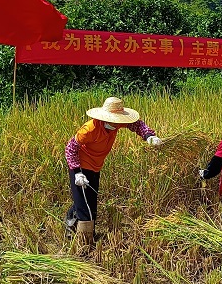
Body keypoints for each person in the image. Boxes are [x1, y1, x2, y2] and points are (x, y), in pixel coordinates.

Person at [65, 97, 162, 242]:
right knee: (86, 208)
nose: (119, 123)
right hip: (80, 166)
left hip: (96, 166)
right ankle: (85, 243)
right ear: (107, 118)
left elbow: (136, 124)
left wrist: (149, 136)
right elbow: (70, 148)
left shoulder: (115, 124)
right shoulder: (89, 129)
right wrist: (77, 173)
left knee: (89, 201)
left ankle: (71, 224)